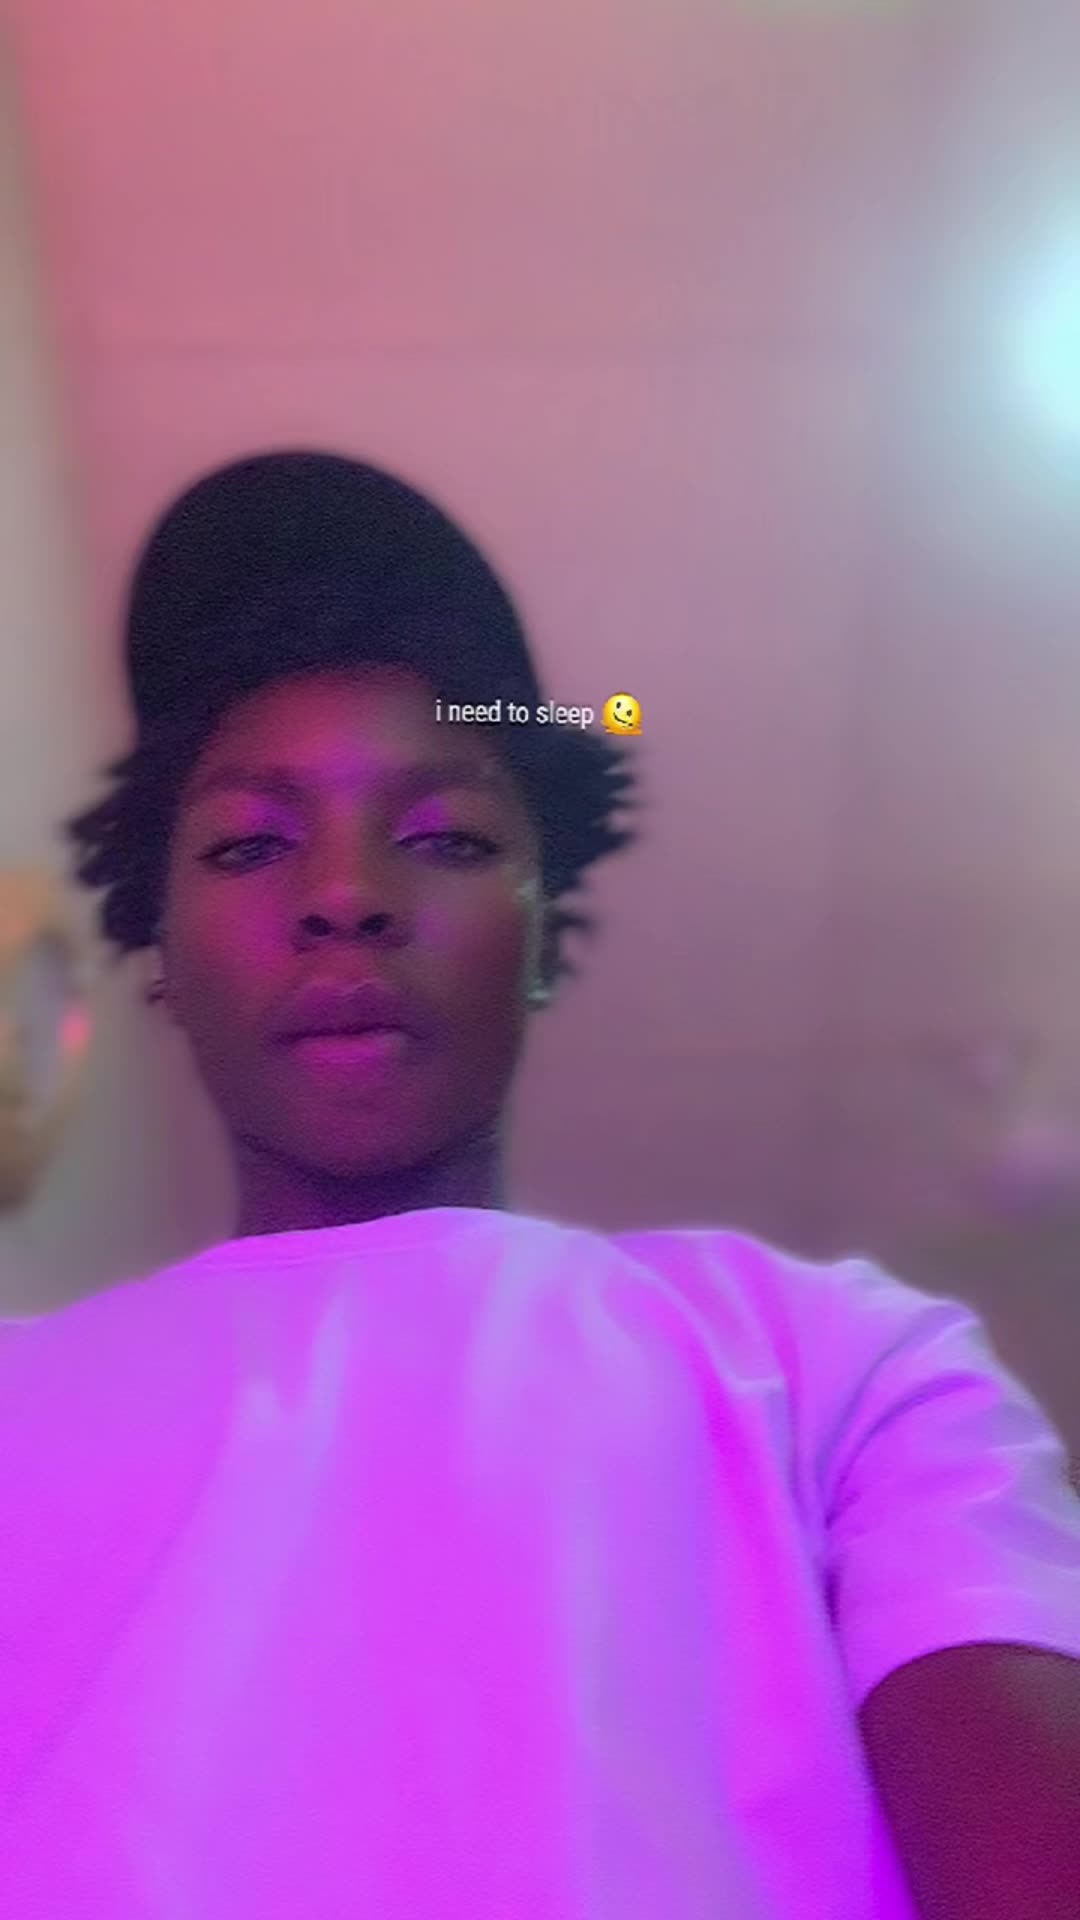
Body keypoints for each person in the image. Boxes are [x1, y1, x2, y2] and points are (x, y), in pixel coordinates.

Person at [0, 450, 1077, 1920]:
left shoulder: (842, 1367)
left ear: (545, 941)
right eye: (250, 843)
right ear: (160, 959)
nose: (344, 895)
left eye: (445, 837)